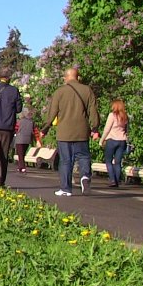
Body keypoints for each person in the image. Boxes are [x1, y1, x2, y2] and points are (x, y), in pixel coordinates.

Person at [42, 67, 100, 196]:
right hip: (82, 131)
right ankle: (85, 176)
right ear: (77, 77)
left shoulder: (59, 92)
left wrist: (45, 129)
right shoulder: (87, 90)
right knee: (84, 156)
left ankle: (66, 188)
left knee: (65, 160)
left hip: (64, 132)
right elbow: (93, 112)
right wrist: (95, 128)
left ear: (66, 78)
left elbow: (52, 113)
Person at [99, 98, 129, 187]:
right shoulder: (125, 116)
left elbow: (107, 129)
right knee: (117, 162)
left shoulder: (112, 115)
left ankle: (112, 179)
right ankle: (117, 180)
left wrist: (102, 140)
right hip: (122, 140)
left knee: (108, 161)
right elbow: (126, 129)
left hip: (112, 140)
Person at [14, 108, 35, 173]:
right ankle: (20, 167)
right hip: (27, 139)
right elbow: (34, 131)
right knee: (23, 153)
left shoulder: (20, 121)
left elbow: (16, 129)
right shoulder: (31, 121)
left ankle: (22, 167)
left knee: (20, 154)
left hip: (19, 139)